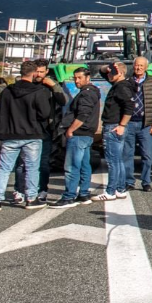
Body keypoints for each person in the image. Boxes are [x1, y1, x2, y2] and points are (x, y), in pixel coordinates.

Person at [0, 61, 53, 210]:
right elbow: (45, 113)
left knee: (4, 169)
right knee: (32, 168)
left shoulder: (7, 91)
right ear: (34, 74)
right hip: (32, 134)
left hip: (9, 134)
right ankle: (31, 199)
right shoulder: (38, 91)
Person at [15, 59, 65, 204]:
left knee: (43, 163)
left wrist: (54, 86)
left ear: (46, 72)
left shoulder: (50, 86)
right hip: (25, 129)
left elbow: (63, 101)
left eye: (41, 72)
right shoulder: (24, 85)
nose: (38, 75)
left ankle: (42, 189)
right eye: (36, 71)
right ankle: (20, 190)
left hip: (45, 130)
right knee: (22, 163)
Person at [52, 68, 100, 207]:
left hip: (79, 134)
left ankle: (69, 197)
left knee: (72, 166)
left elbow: (83, 115)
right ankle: (83, 194)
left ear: (88, 77)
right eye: (75, 78)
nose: (76, 81)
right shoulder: (92, 92)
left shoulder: (86, 94)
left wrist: (70, 130)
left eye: (79, 78)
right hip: (86, 135)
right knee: (84, 165)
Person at [96, 63, 135, 201]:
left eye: (112, 72)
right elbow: (101, 71)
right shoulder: (121, 84)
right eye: (109, 72)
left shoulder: (121, 87)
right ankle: (120, 189)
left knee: (112, 161)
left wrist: (122, 125)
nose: (109, 75)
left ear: (120, 73)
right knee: (118, 160)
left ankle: (110, 191)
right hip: (115, 126)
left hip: (113, 126)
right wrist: (108, 67)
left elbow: (130, 106)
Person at [122, 56, 152, 192]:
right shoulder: (127, 81)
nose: (138, 68)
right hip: (129, 123)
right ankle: (129, 182)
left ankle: (146, 182)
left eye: (141, 66)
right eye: (136, 65)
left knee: (147, 155)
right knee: (127, 154)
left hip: (146, 124)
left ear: (146, 67)